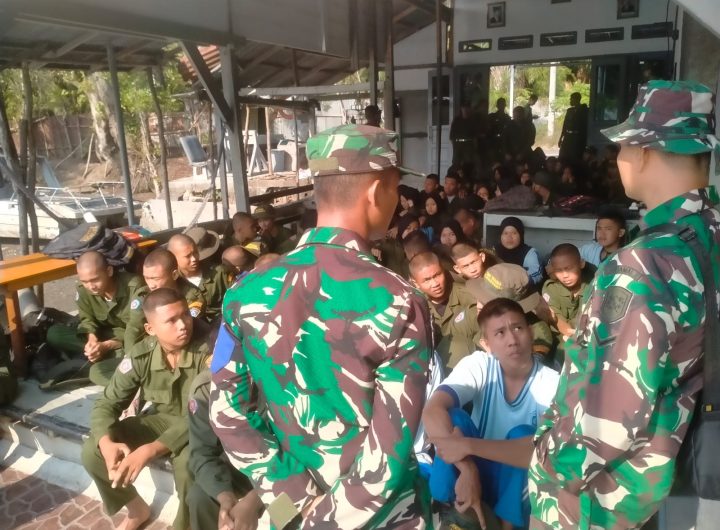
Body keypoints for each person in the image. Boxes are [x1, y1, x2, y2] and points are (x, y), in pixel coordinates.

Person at [210, 124, 435, 528]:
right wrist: (325, 520)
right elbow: (388, 457)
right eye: (396, 188)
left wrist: (295, 496)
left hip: (292, 509)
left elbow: (227, 413)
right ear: (376, 191)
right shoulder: (400, 301)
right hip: (380, 518)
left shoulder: (244, 293)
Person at [529, 80, 720, 529]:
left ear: (644, 151)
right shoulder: (708, 233)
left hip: (600, 497)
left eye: (622, 148)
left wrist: (549, 471)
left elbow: (609, 414)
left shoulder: (643, 263)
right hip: (672, 471)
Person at [423, 298, 560, 530]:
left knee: (527, 436)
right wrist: (468, 468)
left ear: (530, 332)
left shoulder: (552, 382)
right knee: (454, 418)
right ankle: (454, 511)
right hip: (474, 472)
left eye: (518, 328)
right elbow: (432, 410)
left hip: (517, 486)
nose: (512, 340)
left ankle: (506, 526)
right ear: (487, 344)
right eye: (500, 333)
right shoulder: (480, 365)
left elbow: (540, 454)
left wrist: (467, 446)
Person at [81, 288, 211, 530]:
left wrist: (150, 450)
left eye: (185, 314)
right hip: (161, 420)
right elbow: (107, 403)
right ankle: (136, 509)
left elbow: (204, 412)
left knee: (189, 466)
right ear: (151, 329)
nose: (183, 325)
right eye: (171, 320)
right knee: (92, 450)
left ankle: (185, 525)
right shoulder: (143, 353)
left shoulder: (209, 351)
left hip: (200, 427)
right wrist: (106, 443)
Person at [46, 251, 143, 387]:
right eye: (85, 281)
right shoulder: (83, 289)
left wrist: (108, 345)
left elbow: (137, 328)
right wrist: (92, 339)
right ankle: (100, 357)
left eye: (95, 280)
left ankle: (124, 372)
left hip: (128, 340)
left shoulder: (134, 286)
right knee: (54, 334)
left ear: (109, 271)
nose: (91, 286)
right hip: (103, 335)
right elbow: (87, 319)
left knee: (107, 366)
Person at [186, 370, 262, 530]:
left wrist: (256, 500)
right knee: (200, 497)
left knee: (286, 512)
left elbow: (306, 452)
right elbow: (202, 453)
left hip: (294, 474)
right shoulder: (208, 386)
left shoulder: (288, 375)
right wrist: (225, 497)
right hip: (243, 465)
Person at [123, 248, 206, 367]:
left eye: (156, 279)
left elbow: (188, 330)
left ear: (174, 274)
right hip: (152, 344)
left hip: (186, 347)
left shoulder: (192, 297)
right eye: (147, 278)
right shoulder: (143, 295)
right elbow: (134, 328)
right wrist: (129, 357)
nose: (151, 285)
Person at [468, 264, 557, 364]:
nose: (479, 306)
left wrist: (494, 356)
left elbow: (526, 368)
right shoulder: (479, 318)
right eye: (480, 298)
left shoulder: (537, 334)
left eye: (486, 301)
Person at [409, 251, 479, 371]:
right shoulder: (414, 308)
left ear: (444, 270)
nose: (435, 284)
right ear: (415, 283)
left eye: (437, 275)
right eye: (427, 280)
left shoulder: (469, 297)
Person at [167, 233, 230, 324]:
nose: (194, 259)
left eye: (195, 253)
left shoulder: (219, 273)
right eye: (187, 256)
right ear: (173, 258)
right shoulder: (172, 281)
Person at [542, 243, 596, 343]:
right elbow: (557, 321)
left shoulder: (593, 283)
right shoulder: (551, 288)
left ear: (581, 264)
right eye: (558, 270)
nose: (565, 275)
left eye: (569, 268)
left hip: (589, 334)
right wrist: (573, 335)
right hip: (562, 335)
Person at [494, 217, 542, 285]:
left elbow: (536, 276)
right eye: (505, 233)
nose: (509, 237)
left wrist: (515, 280)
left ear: (521, 235)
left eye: (514, 233)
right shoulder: (494, 251)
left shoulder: (530, 253)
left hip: (522, 289)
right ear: (501, 235)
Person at [558, 92, 588, 164]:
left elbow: (585, 126)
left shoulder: (584, 110)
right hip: (567, 136)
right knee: (562, 155)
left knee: (574, 156)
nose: (570, 101)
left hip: (577, 137)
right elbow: (565, 125)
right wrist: (561, 137)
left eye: (572, 99)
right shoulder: (569, 111)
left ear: (577, 99)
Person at [450, 102, 478, 168]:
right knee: (456, 162)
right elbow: (452, 135)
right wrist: (455, 144)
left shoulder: (472, 121)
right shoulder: (457, 120)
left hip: (468, 144)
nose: (465, 110)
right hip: (458, 144)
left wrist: (474, 146)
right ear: (461, 109)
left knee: (468, 163)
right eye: (464, 108)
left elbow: (475, 136)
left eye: (467, 108)